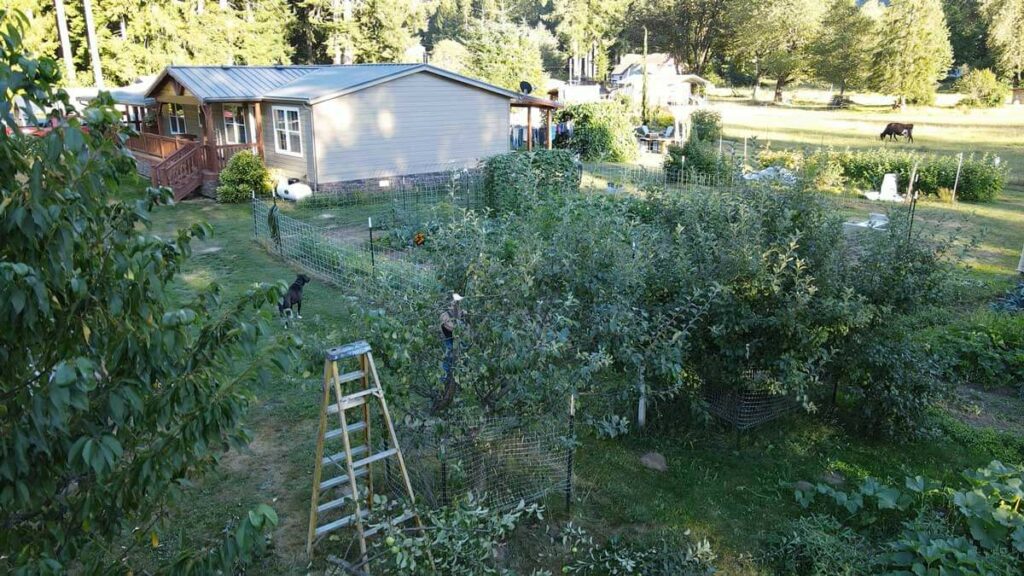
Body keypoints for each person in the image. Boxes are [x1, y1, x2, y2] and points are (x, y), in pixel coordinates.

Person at [440, 293, 463, 388]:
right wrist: (458, 326)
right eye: (454, 304)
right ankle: (442, 384)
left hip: (459, 343)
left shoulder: (460, 313)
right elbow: (449, 327)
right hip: (449, 342)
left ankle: (456, 384)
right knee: (447, 361)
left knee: (460, 362)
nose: (456, 306)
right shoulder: (445, 315)